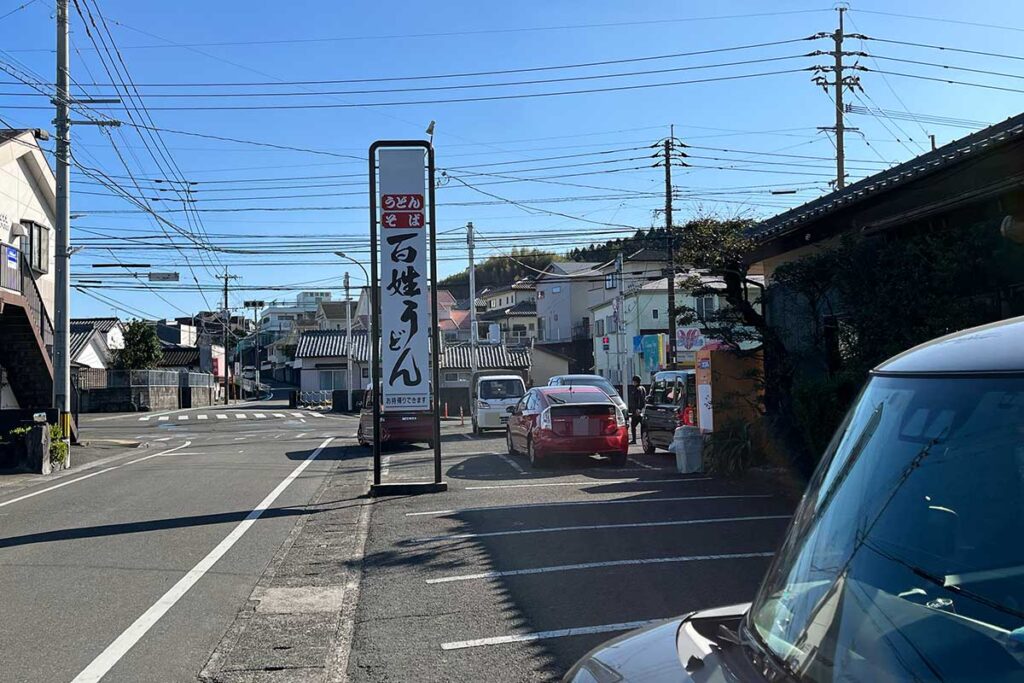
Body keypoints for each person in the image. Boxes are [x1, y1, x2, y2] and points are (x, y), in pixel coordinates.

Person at [626, 375, 647, 444]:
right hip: (642, 410)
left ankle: (634, 440)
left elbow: (638, 399)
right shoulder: (643, 388)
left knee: (633, 425)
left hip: (637, 410)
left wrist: (637, 409)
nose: (633, 383)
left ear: (636, 381)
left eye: (634, 381)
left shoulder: (637, 389)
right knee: (643, 426)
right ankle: (643, 439)